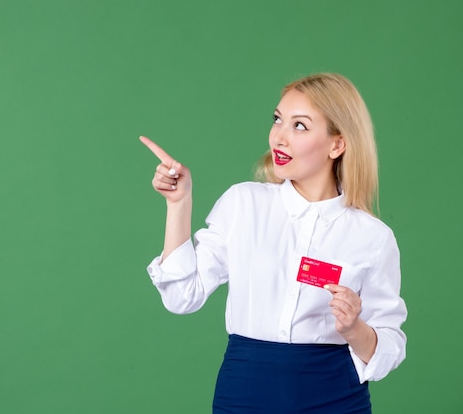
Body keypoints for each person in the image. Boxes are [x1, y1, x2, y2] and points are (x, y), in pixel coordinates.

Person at [139, 73, 407, 414]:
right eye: (278, 119)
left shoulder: (373, 237)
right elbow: (182, 297)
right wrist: (178, 205)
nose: (279, 137)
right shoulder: (244, 204)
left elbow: (390, 346)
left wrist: (355, 328)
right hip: (245, 392)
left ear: (337, 144)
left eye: (300, 126)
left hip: (335, 396)